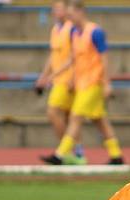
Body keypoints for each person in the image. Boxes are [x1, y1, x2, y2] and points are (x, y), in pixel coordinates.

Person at [41, 0, 123, 165]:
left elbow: (104, 59)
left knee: (75, 117)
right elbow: (73, 58)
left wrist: (107, 83)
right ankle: (116, 155)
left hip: (93, 83)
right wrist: (54, 75)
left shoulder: (95, 32)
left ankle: (60, 154)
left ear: (81, 12)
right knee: (100, 120)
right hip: (81, 83)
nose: (69, 18)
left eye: (71, 14)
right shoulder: (75, 33)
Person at [35, 0, 82, 160]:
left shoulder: (72, 29)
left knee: (53, 112)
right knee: (68, 117)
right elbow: (53, 55)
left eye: (59, 8)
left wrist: (73, 77)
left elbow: (75, 56)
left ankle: (66, 151)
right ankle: (73, 152)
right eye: (54, 9)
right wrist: (44, 75)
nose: (56, 11)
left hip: (67, 78)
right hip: (58, 78)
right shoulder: (55, 29)